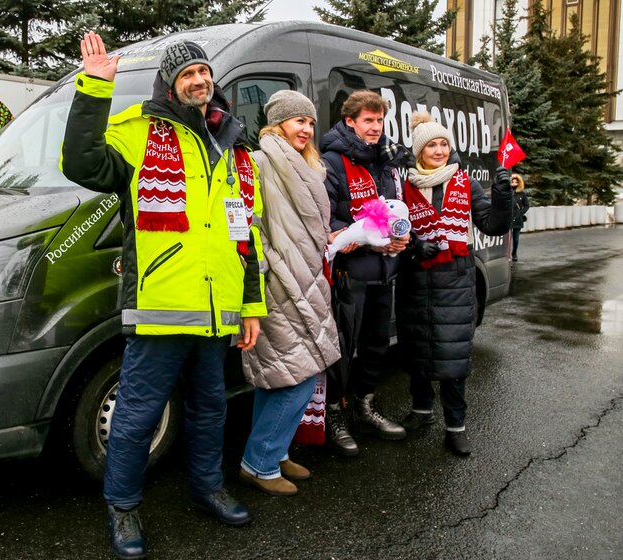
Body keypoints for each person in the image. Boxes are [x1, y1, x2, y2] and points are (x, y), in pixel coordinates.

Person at [61, 33, 268, 559]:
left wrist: (251, 307)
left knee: (210, 410)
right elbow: (81, 163)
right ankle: (123, 506)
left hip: (218, 313)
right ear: (170, 84)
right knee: (137, 415)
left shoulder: (237, 148)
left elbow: (247, 238)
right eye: (186, 75)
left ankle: (206, 488)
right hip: (160, 308)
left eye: (203, 72)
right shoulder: (141, 133)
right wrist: (94, 86)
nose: (198, 81)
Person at [239, 90, 342, 496]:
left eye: (311, 122)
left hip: (308, 280)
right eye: (299, 120)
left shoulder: (307, 164)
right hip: (277, 284)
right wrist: (265, 271)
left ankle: (273, 451)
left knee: (284, 376)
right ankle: (259, 464)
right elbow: (249, 224)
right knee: (295, 377)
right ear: (278, 122)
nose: (307, 128)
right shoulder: (261, 162)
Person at [396, 112, 512, 456]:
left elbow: (491, 225)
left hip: (456, 279)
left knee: (453, 355)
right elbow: (395, 228)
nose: (440, 150)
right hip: (415, 276)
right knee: (416, 347)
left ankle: (455, 427)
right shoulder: (405, 186)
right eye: (432, 144)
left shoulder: (465, 183)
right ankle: (421, 410)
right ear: (419, 151)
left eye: (444, 143)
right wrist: (415, 245)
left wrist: (503, 199)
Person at [319, 90, 411, 456]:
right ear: (350, 122)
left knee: (375, 346)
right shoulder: (332, 161)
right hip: (349, 274)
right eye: (367, 121)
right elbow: (327, 218)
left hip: (385, 272)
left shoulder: (387, 162)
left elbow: (395, 208)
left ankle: (365, 405)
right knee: (342, 348)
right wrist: (372, 241)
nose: (375, 128)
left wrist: (402, 234)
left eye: (379, 121)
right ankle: (334, 415)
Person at [510, 173, 529, 261]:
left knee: (516, 238)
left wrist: (520, 213)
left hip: (518, 218)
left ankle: (514, 253)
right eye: (512, 182)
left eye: (515, 182)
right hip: (509, 218)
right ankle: (506, 254)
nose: (514, 184)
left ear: (519, 183)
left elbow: (526, 205)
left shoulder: (522, 194)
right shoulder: (508, 192)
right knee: (507, 238)